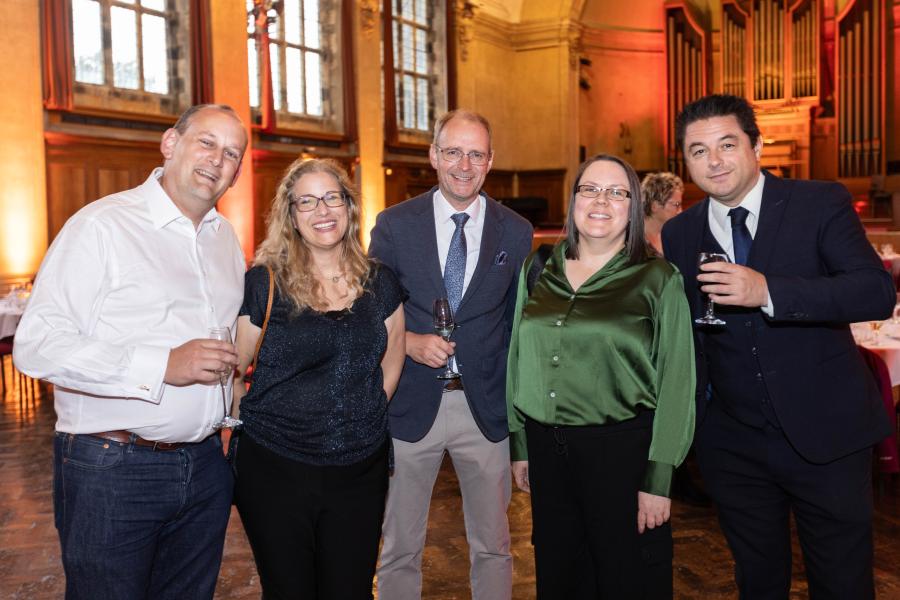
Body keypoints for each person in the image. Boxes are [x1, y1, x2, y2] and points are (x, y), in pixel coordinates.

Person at [661, 94, 894, 599]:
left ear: (757, 146)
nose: (714, 161)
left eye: (727, 144)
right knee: (758, 581)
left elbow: (875, 291)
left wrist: (768, 291)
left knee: (842, 582)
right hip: (733, 446)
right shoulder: (681, 231)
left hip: (826, 435)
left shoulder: (819, 202)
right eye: (698, 151)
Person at [13, 104, 249, 599]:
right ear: (170, 143)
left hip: (205, 466)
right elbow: (36, 345)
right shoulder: (102, 226)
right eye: (206, 142)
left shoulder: (224, 238)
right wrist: (162, 365)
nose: (217, 160)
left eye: (231, 153)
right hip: (114, 467)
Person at [507, 154, 695, 599]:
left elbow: (678, 381)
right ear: (573, 201)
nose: (601, 201)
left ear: (633, 207)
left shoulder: (658, 278)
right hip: (547, 451)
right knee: (560, 575)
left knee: (625, 579)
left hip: (622, 454)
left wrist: (659, 478)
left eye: (617, 192)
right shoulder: (538, 268)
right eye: (589, 189)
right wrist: (519, 444)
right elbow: (518, 357)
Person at [369, 109, 533, 600]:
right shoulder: (395, 225)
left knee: (494, 545)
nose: (464, 164)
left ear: (490, 162)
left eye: (476, 154)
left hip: (484, 407)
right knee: (399, 546)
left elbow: (517, 323)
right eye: (453, 151)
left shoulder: (516, 231)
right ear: (433, 155)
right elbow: (371, 312)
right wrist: (408, 343)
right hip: (410, 404)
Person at [231, 158, 405, 599]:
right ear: (290, 215)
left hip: (360, 467)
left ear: (348, 207)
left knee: (350, 589)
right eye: (306, 201)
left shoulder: (379, 281)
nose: (321, 210)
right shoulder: (263, 283)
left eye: (331, 198)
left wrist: (358, 414)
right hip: (275, 465)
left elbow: (393, 357)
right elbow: (234, 371)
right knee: (290, 590)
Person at [642, 171, 683, 255]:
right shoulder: (632, 240)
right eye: (676, 205)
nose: (680, 211)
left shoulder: (676, 235)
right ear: (655, 206)